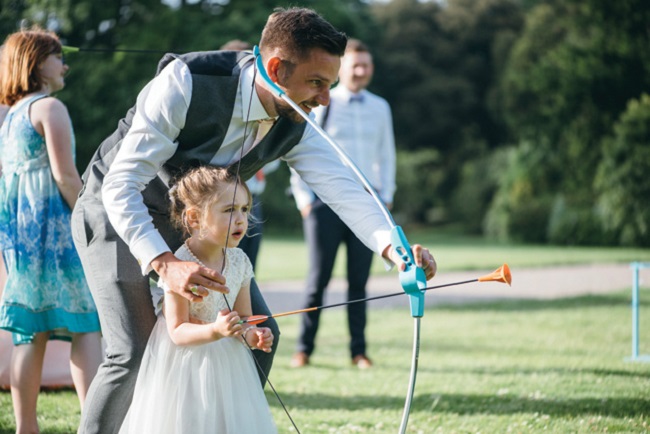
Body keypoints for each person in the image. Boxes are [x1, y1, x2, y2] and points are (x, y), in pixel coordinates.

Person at [72, 7, 437, 434]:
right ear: (278, 68)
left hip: (196, 229)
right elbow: (121, 184)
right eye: (316, 83)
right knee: (133, 350)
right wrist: (164, 263)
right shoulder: (186, 82)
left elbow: (342, 187)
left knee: (261, 338)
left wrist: (395, 250)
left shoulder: (297, 120)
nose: (325, 99)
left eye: (330, 85)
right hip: (117, 214)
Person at [119, 166, 276, 433]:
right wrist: (215, 330)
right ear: (194, 218)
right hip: (186, 367)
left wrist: (251, 335)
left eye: (245, 209)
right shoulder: (179, 265)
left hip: (229, 366)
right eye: (229, 210)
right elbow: (177, 331)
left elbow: (245, 317)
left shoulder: (239, 261)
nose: (240, 219)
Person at [0, 28, 102, 433]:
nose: (65, 65)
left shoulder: (10, 117)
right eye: (58, 57)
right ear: (38, 62)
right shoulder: (50, 109)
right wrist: (91, 221)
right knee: (86, 324)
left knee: (31, 332)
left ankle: (26, 428)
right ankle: (96, 424)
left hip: (23, 241)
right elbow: (66, 177)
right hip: (57, 236)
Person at [289, 39, 396, 369]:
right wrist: (305, 200)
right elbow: (300, 147)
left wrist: (386, 198)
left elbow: (386, 154)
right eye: (355, 65)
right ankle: (304, 349)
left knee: (359, 283)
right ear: (343, 68)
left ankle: (358, 352)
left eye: (366, 65)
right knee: (317, 280)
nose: (361, 71)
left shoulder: (381, 107)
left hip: (367, 203)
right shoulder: (324, 100)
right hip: (324, 203)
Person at [220, 39, 280, 271]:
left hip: (254, 200)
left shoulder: (261, 114)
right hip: (223, 201)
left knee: (248, 264)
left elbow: (273, 162)